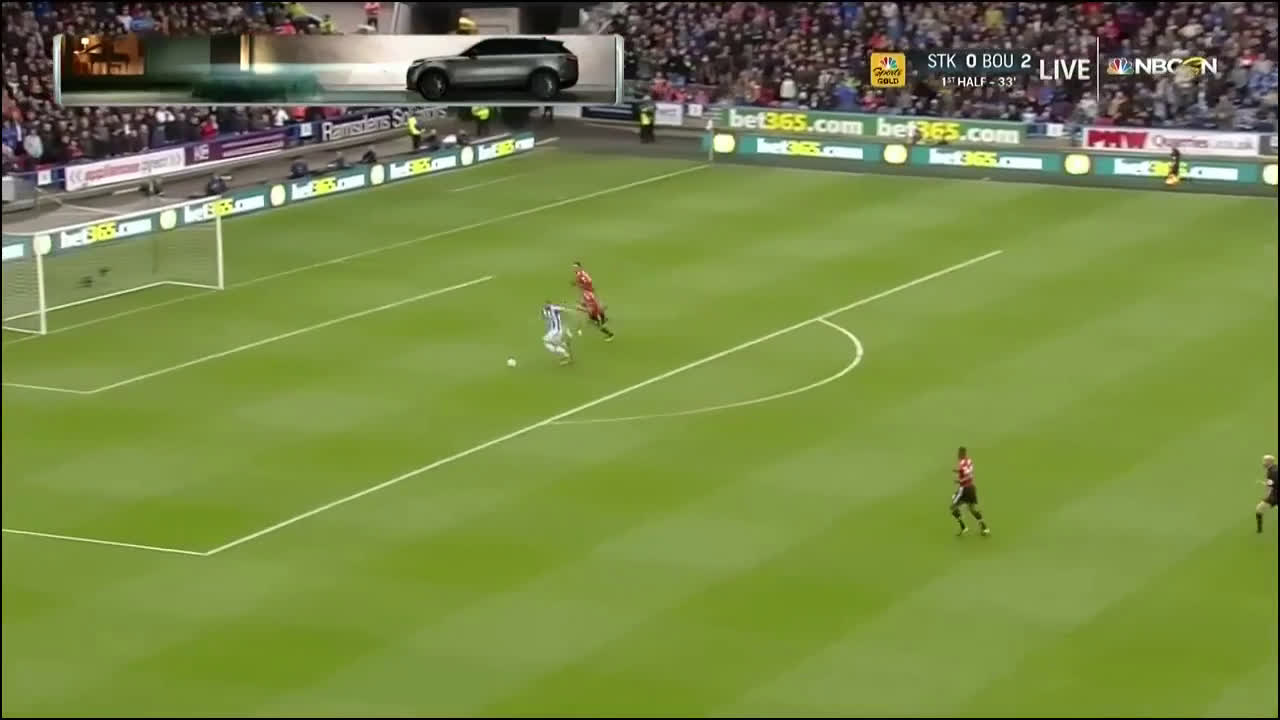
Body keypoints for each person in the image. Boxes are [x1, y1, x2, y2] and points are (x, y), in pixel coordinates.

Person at [950, 447, 990, 536]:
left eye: (959, 453)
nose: (957, 455)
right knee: (972, 509)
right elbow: (968, 473)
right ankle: (985, 528)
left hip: (964, 489)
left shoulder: (961, 463)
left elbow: (965, 473)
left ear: (961, 454)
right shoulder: (969, 461)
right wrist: (958, 472)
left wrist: (959, 480)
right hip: (971, 487)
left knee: (953, 507)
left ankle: (963, 527)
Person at [1256, 455, 1278, 533]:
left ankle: (1259, 530)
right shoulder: (1274, 468)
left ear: (1269, 462)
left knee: (1259, 509)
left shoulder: (1271, 472)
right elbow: (1272, 483)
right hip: (1274, 494)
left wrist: (1267, 496)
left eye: (1265, 461)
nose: (1263, 463)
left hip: (1275, 495)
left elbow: (1270, 486)